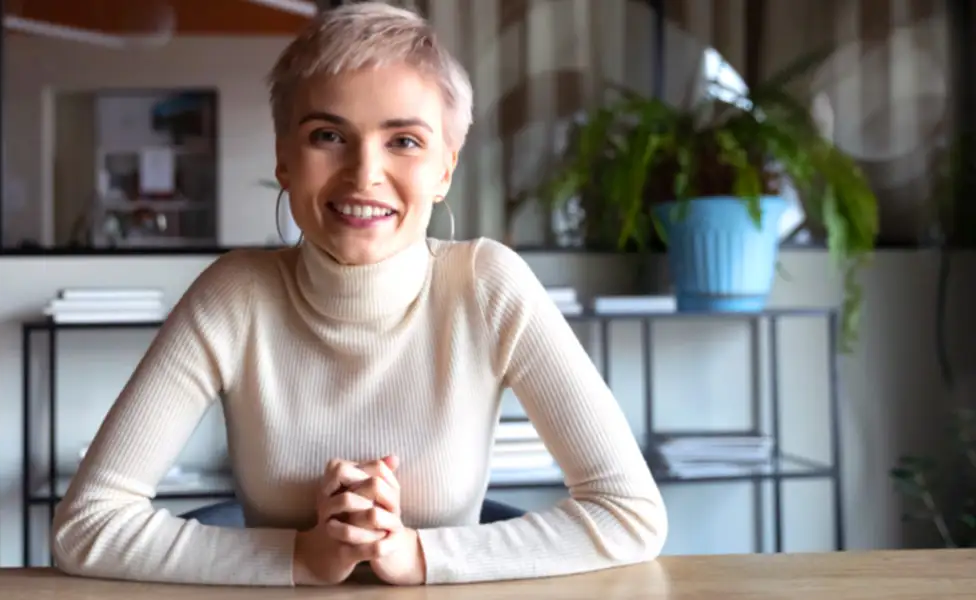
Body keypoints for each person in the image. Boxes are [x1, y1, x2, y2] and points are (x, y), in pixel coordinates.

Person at [51, 2, 666, 587]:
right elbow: (86, 526)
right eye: (328, 135)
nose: (364, 173)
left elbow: (629, 512)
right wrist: (302, 558)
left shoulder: (487, 285)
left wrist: (414, 553)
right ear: (285, 160)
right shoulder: (234, 293)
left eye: (404, 141)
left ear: (444, 170)